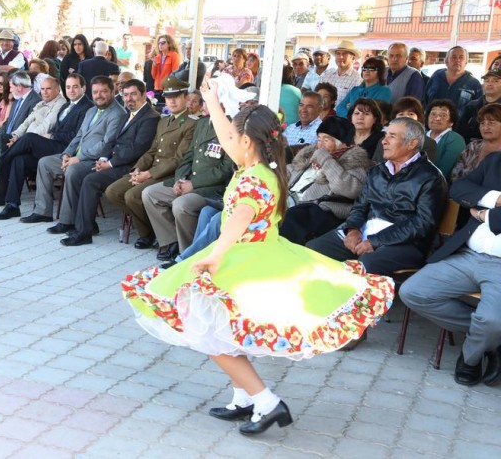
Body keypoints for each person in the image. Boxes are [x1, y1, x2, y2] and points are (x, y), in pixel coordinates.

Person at [121, 100, 395, 436]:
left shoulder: (254, 179)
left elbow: (238, 220)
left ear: (247, 141)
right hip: (249, 253)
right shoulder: (258, 167)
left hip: (245, 259)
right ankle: (244, 398)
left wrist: (214, 254)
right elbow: (227, 140)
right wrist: (213, 102)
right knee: (219, 331)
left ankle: (266, 403)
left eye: (235, 138)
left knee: (208, 332)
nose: (228, 143)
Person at [399, 152, 501, 387]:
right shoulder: (495, 160)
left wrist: (484, 214)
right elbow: (459, 189)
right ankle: (487, 339)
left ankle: (471, 357)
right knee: (413, 292)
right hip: (467, 255)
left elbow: (478, 206)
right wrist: (496, 199)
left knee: (492, 321)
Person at [307, 117, 447, 276]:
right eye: (385, 135)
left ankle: (351, 299)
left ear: (412, 143)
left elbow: (422, 224)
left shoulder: (430, 177)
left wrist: (375, 241)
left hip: (404, 243)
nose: (383, 141)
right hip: (365, 234)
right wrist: (352, 230)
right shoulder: (377, 171)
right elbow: (359, 207)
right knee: (314, 249)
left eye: (392, 136)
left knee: (365, 265)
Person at [60, 79, 160, 246]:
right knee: (80, 174)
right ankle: (85, 226)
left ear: (143, 94)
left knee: (90, 180)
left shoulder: (151, 117)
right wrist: (103, 159)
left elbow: (137, 149)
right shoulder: (128, 114)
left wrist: (110, 163)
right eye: (126, 95)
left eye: (133, 94)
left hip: (131, 167)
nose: (129, 99)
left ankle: (83, 232)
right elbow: (110, 141)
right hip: (113, 162)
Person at [19, 76, 125, 227]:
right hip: (76, 156)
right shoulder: (92, 110)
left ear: (112, 91)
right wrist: (66, 154)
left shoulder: (117, 113)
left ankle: (67, 221)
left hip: (94, 160)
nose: (99, 95)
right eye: (95, 92)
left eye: (104, 91)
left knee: (72, 170)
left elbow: (107, 143)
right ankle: (42, 212)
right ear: (91, 92)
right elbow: (79, 136)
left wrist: (79, 158)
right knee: (44, 163)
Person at [106, 76, 197, 248]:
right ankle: (152, 228)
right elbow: (152, 151)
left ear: (185, 97)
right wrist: (137, 169)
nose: (171, 101)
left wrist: (148, 174)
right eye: (168, 97)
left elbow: (178, 159)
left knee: (132, 195)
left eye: (176, 97)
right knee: (113, 191)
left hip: (168, 173)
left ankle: (147, 234)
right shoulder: (164, 121)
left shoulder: (191, 124)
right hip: (151, 169)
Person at [142, 95, 233, 262]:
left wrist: (193, 183)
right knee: (150, 193)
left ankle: (189, 253)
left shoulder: (231, 126)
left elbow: (225, 169)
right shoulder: (202, 123)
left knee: (181, 205)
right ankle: (171, 242)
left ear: (222, 104)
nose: (203, 105)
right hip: (188, 181)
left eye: (207, 101)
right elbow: (188, 156)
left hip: (212, 188)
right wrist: (180, 179)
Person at [0, 73, 94, 215]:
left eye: (75, 87)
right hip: (51, 144)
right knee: (18, 159)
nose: (71, 90)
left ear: (83, 88)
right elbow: (28, 122)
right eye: (69, 87)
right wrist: (16, 136)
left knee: (29, 138)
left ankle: (1, 162)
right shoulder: (67, 106)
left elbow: (76, 135)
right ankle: (12, 205)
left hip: (65, 149)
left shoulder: (86, 107)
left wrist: (51, 135)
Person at [280, 116, 371, 245]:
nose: (320, 145)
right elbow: (290, 171)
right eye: (319, 139)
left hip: (312, 211)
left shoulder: (354, 162)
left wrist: (326, 160)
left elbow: (350, 190)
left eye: (326, 140)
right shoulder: (310, 155)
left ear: (342, 143)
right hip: (288, 201)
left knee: (288, 217)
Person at [372, 96, 437, 163]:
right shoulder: (383, 141)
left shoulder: (428, 144)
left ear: (419, 118)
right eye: (401, 114)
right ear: (394, 118)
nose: (406, 117)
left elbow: (424, 169)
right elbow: (375, 166)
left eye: (411, 114)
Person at [424, 46, 483, 114]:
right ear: (446, 61)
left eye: (461, 57)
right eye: (454, 57)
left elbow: (478, 111)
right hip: (433, 122)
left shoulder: (474, 84)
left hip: (461, 124)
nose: (457, 60)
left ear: (466, 62)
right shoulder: (436, 78)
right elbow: (425, 101)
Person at [0, 70, 41, 149]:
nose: (10, 90)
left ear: (19, 87)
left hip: (17, 140)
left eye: (11, 87)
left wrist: (4, 137)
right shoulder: (17, 99)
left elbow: (29, 127)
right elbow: (8, 121)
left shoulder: (35, 101)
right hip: (6, 138)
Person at [451, 104, 501, 181]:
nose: (485, 127)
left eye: (491, 123)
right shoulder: (472, 147)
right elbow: (455, 175)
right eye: (482, 123)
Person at [456, 69, 501, 142]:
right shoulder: (472, 105)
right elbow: (460, 129)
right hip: (471, 148)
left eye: (496, 81)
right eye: (487, 80)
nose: (490, 83)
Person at [426, 99, 466, 178]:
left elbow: (442, 171)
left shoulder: (455, 139)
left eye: (443, 115)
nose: (437, 118)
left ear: (451, 122)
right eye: (433, 114)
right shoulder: (421, 133)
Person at [319, 41, 362, 111]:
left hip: (341, 119)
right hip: (322, 117)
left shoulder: (357, 79)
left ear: (353, 58)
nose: (340, 57)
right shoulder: (327, 75)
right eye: (338, 54)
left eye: (344, 54)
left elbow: (354, 105)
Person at [151, 34, 181, 102]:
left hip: (168, 89)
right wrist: (154, 64)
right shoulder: (158, 56)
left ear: (169, 44)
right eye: (159, 43)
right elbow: (153, 76)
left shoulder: (174, 55)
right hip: (157, 88)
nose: (160, 45)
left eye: (163, 43)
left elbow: (175, 74)